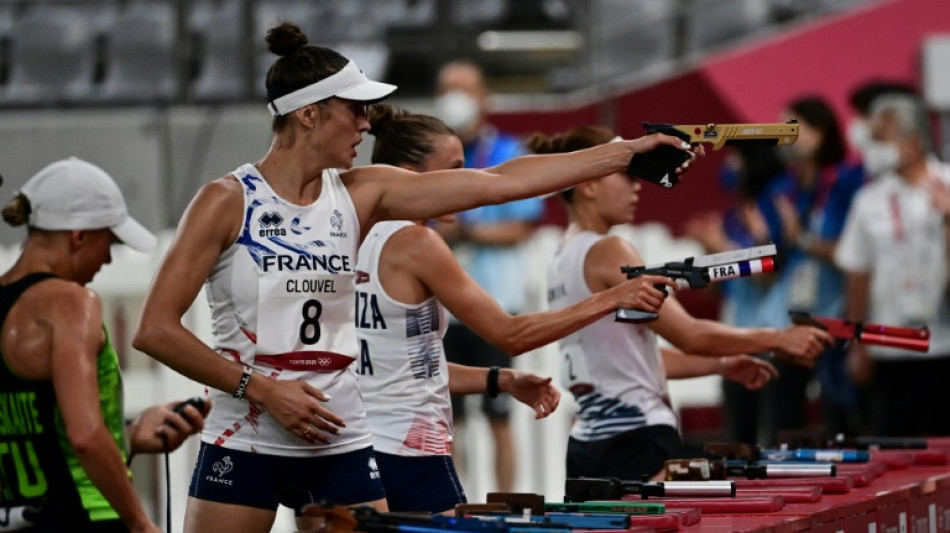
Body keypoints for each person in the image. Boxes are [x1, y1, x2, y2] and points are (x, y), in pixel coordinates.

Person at [131, 22, 696, 533]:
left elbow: (498, 182)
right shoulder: (227, 201)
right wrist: (267, 392)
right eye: (354, 109)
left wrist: (624, 153)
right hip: (247, 429)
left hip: (339, 434)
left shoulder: (362, 192)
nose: (367, 122)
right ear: (309, 113)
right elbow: (155, 329)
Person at [358, 105, 681, 513]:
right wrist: (613, 296)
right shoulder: (417, 243)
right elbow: (510, 334)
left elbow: (400, 366)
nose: (467, 182)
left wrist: (500, 379)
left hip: (357, 451)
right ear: (411, 173)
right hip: (410, 451)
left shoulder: (355, 233)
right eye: (456, 170)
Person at [536, 126, 833, 479]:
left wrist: (720, 364)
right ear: (588, 185)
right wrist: (779, 338)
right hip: (637, 438)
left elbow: (630, 360)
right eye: (627, 176)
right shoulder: (609, 250)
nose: (637, 187)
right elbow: (689, 334)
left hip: (587, 444)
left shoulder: (561, 258)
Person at [0, 158, 209, 533]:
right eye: (108, 242)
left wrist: (128, 437)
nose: (109, 258)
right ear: (79, 236)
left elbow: (42, 438)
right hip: (83, 517)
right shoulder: (71, 303)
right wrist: (142, 524)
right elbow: (84, 435)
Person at [433, 60, 544, 492]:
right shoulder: (430, 158)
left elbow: (523, 225)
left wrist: (470, 230)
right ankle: (455, 507)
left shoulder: (508, 152)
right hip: (442, 306)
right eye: (446, 87)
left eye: (462, 87)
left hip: (494, 302)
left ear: (484, 97)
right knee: (448, 420)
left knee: (501, 414)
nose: (453, 96)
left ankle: (505, 505)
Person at [835, 94, 950, 436]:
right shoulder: (869, 199)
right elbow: (858, 274)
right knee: (894, 445)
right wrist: (857, 344)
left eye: (881, 138)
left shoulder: (948, 184)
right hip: (889, 346)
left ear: (912, 143)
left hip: (944, 343)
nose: (873, 147)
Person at [768, 96, 866, 438]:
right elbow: (779, 256)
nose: (783, 135)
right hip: (793, 315)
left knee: (840, 416)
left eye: (791, 128)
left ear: (820, 131)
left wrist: (804, 238)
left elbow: (854, 253)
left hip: (838, 315)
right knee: (784, 416)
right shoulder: (784, 188)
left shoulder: (848, 182)